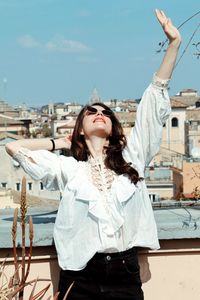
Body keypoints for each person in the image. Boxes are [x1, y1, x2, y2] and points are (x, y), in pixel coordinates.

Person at [6, 9, 181, 300]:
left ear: (113, 126)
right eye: (91, 111)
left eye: (105, 112)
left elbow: (153, 99)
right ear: (81, 128)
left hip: (124, 271)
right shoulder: (69, 169)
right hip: (80, 272)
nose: (99, 113)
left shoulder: (133, 157)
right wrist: (59, 142)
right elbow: (14, 148)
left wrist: (173, 44)